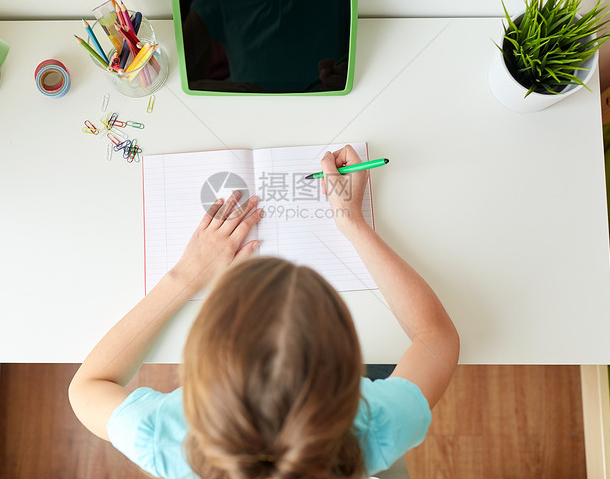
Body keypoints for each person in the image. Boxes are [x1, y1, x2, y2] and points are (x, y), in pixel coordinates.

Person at [69, 145, 460, 478]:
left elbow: (87, 387)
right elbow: (437, 336)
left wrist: (185, 276)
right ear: (344, 364)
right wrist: (353, 223)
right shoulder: (378, 427)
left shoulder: (163, 437)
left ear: (202, 362)